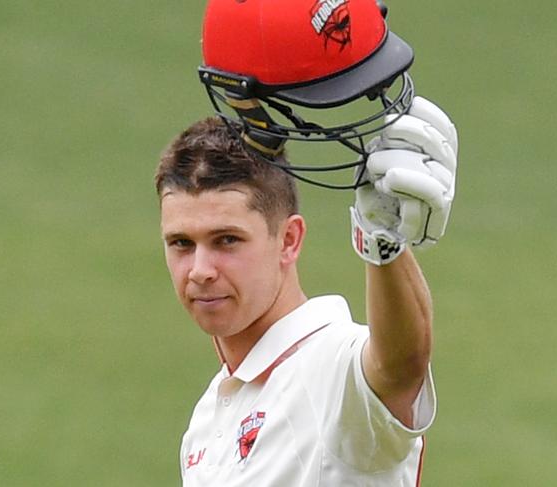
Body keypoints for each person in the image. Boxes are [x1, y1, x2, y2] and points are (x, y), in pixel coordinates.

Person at [156, 0, 458, 485]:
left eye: (227, 240)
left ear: (289, 240)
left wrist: (382, 244)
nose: (200, 269)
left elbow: (400, 364)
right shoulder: (207, 421)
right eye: (182, 244)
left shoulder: (330, 369)